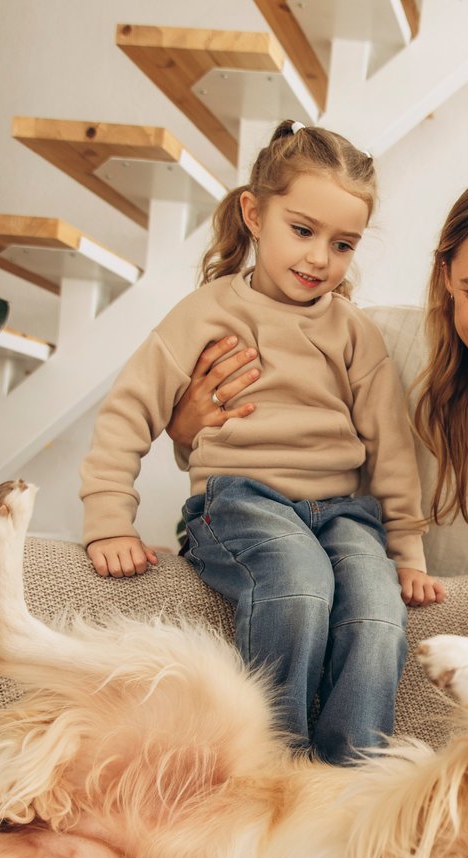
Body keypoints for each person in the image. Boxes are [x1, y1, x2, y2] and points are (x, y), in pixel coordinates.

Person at [78, 120, 442, 766]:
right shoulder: (206, 312)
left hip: (343, 514)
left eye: (342, 244)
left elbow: (391, 450)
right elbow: (130, 407)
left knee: (379, 612)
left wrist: (407, 552)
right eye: (303, 231)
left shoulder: (355, 334)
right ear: (254, 213)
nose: (318, 259)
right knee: (299, 587)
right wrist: (109, 521)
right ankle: (268, 775)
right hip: (240, 503)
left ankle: (350, 787)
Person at [165, 170, 468, 577]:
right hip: (323, 563)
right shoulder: (376, 341)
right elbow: (239, 445)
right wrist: (187, 431)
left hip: (466, 604)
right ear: (446, 277)